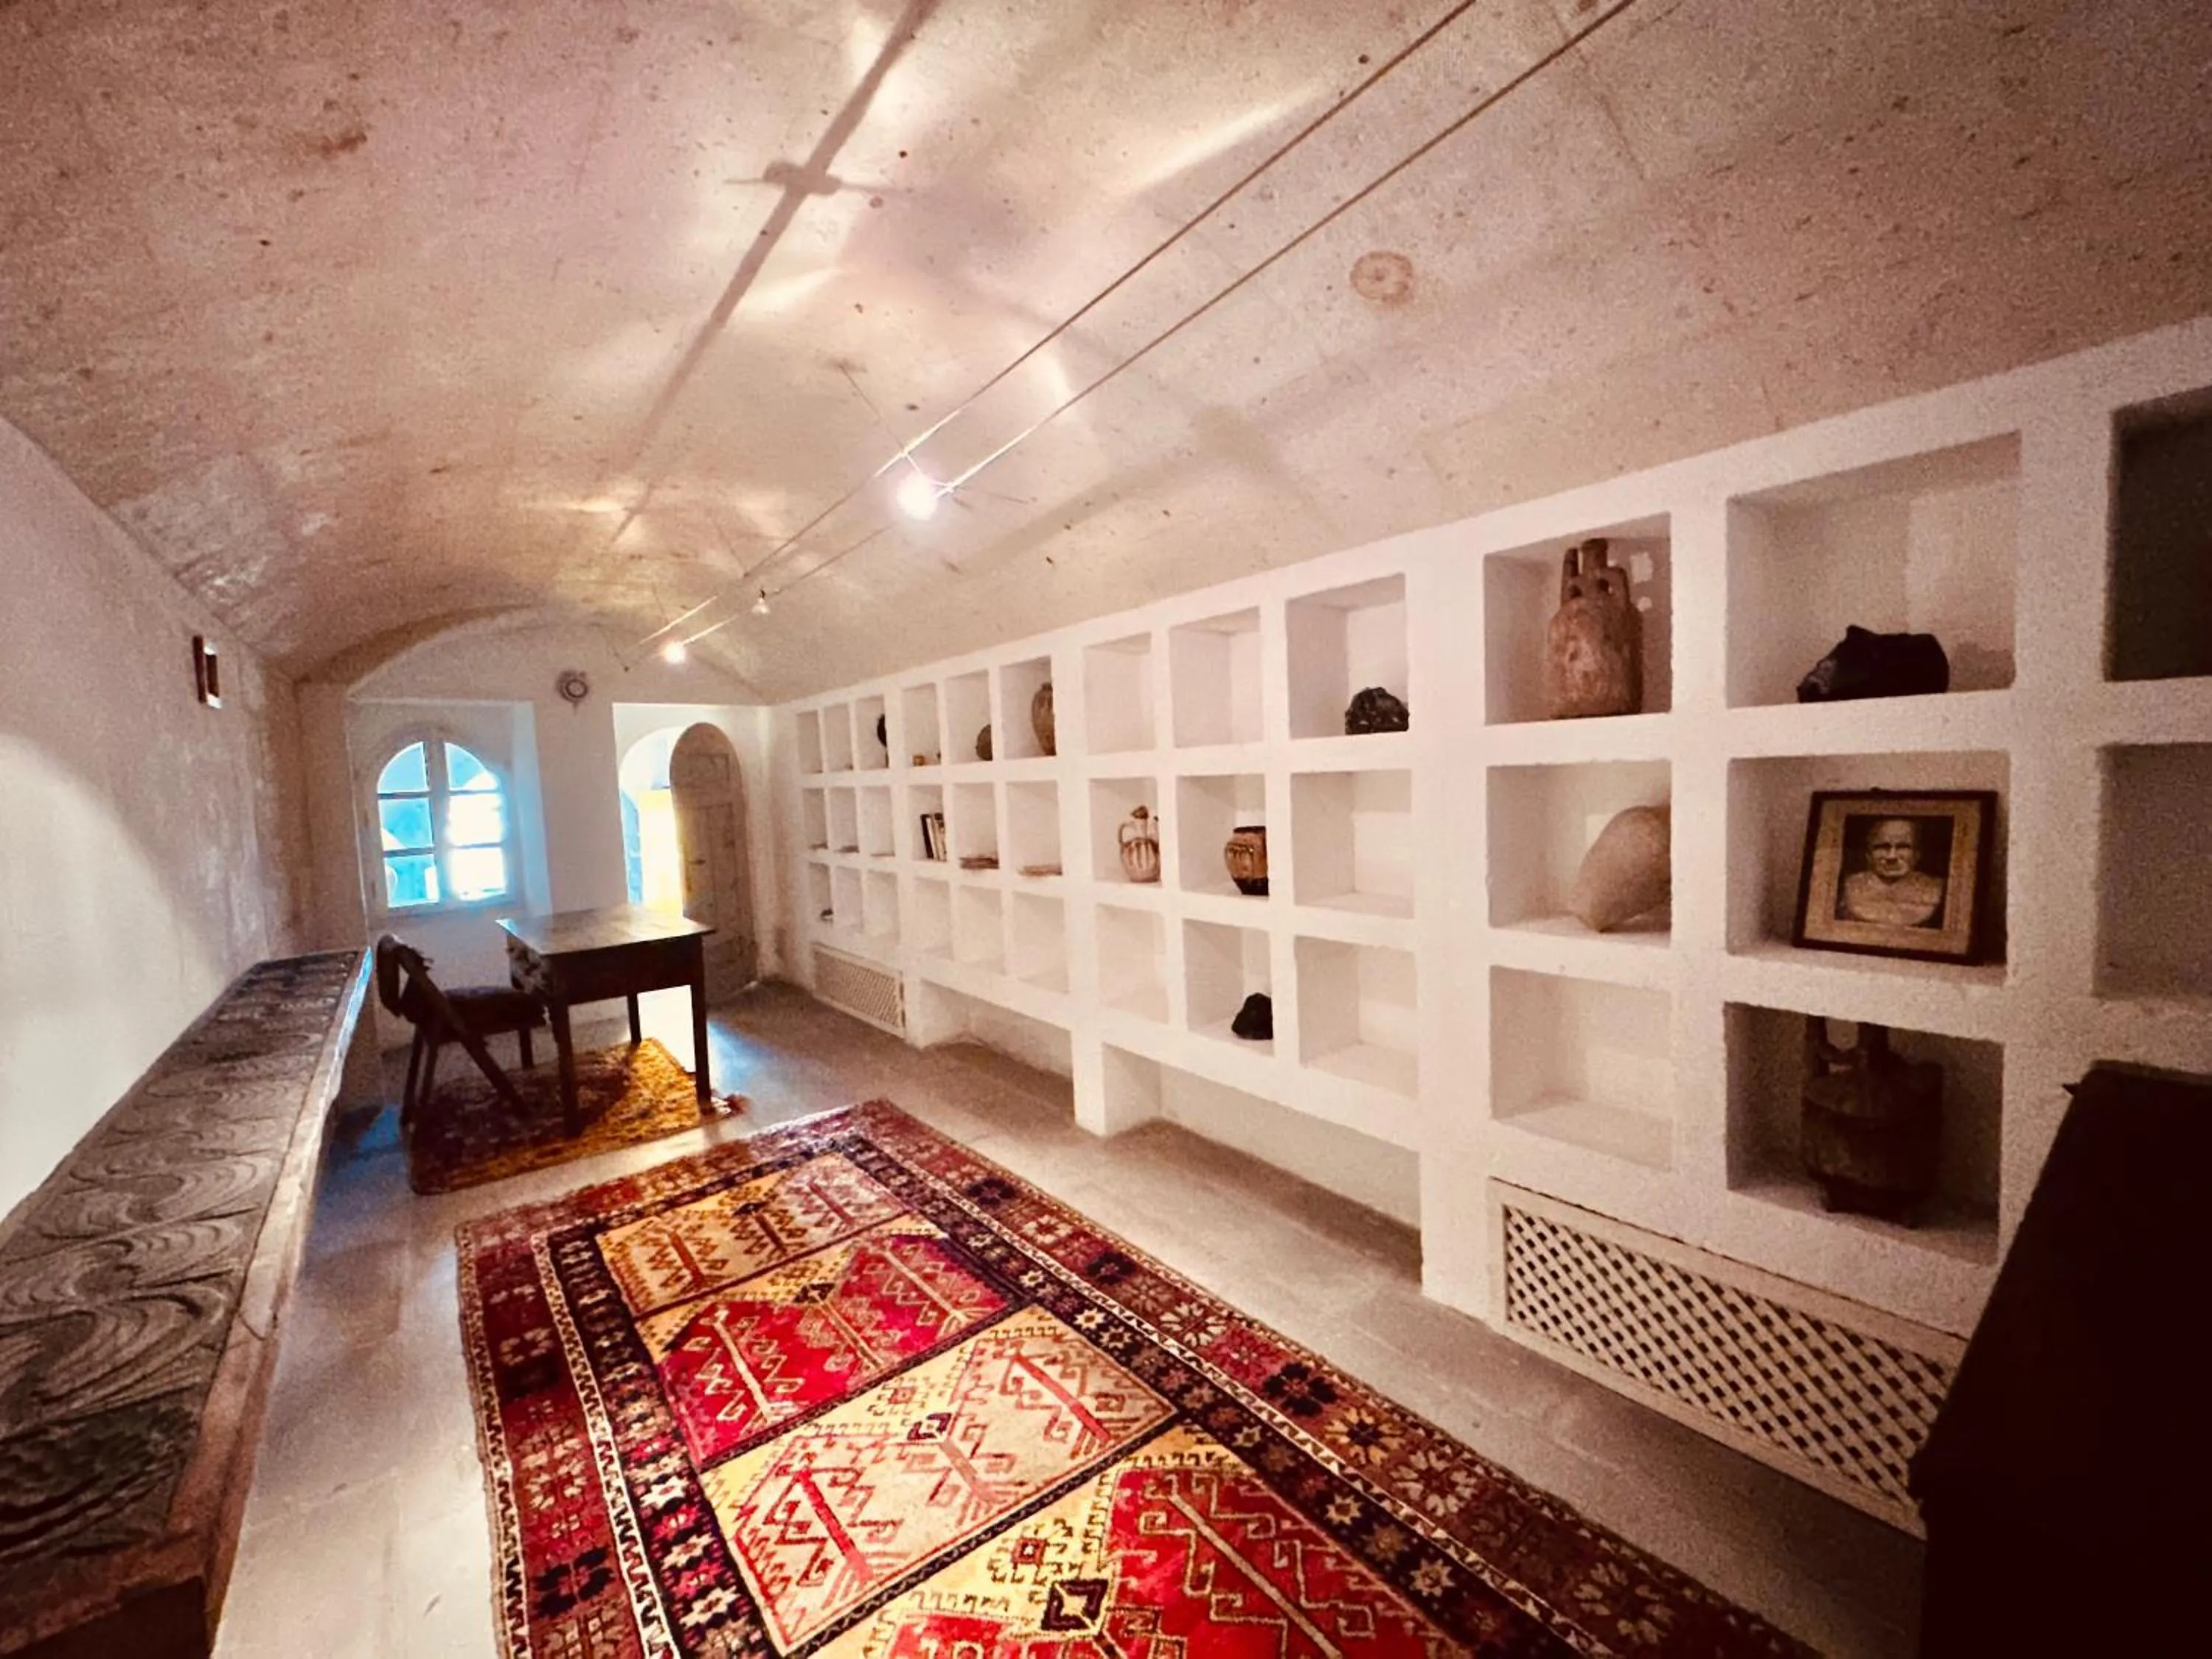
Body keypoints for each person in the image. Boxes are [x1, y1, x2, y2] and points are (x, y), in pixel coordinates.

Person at [1839, 817, 1944, 928]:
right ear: (1868, 855)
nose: (1892, 856)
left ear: (1917, 854)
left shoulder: (1937, 888)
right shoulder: (1846, 887)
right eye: (1882, 847)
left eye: (1903, 847)